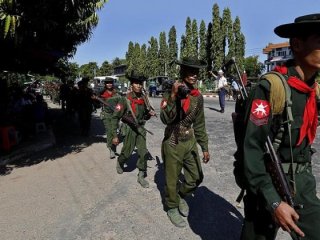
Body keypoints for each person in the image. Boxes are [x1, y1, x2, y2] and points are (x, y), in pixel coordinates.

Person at [241, 13, 320, 240]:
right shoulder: (270, 88)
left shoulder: (313, 90)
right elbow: (252, 149)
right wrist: (274, 202)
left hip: (302, 184)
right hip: (266, 184)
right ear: (297, 44)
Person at [160, 57, 210, 228]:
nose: (194, 75)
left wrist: (204, 146)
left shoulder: (198, 97)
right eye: (190, 71)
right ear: (182, 72)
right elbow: (165, 118)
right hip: (173, 140)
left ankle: (180, 196)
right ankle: (171, 206)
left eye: (196, 72)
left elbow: (200, 123)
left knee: (196, 177)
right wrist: (173, 96)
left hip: (190, 141)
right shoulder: (170, 93)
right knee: (171, 179)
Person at [109, 73, 156, 188]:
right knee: (126, 153)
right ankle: (120, 162)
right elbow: (115, 117)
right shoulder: (125, 99)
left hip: (140, 128)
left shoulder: (144, 99)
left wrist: (149, 114)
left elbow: (145, 115)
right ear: (131, 85)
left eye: (140, 83)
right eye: (136, 83)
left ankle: (141, 175)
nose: (139, 86)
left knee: (143, 152)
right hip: (129, 129)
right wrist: (114, 135)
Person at [100, 77, 119, 159]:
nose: (109, 84)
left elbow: (120, 103)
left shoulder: (116, 92)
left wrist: (118, 111)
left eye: (110, 82)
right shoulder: (102, 92)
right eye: (107, 83)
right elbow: (96, 100)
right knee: (109, 132)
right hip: (106, 115)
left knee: (114, 132)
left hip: (115, 115)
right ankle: (111, 149)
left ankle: (113, 147)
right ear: (105, 84)